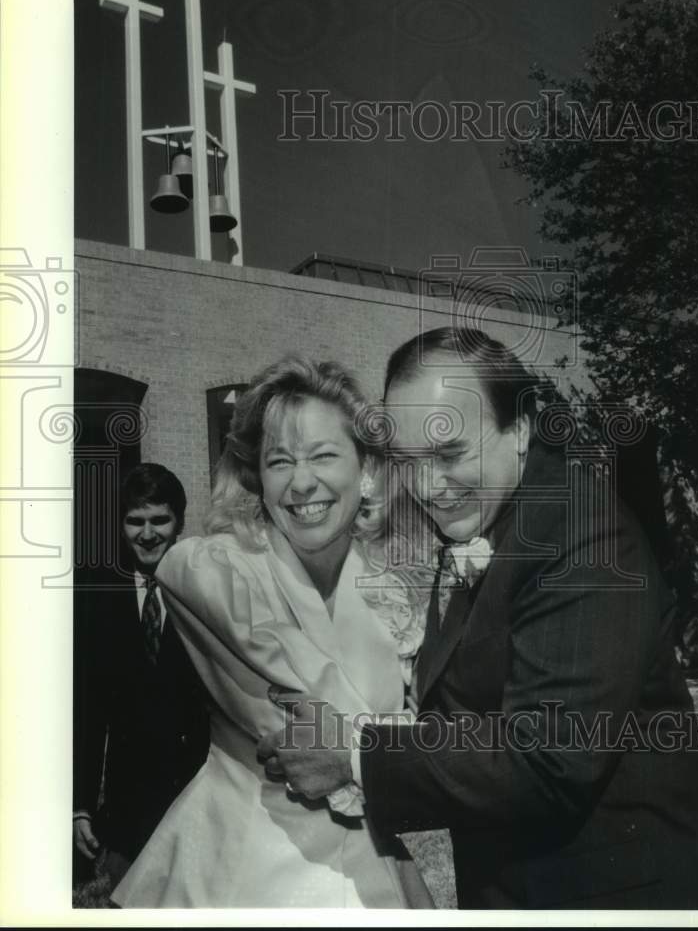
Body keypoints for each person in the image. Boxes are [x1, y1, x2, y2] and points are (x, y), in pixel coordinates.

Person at [260, 326, 698, 910]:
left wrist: (351, 757)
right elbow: (470, 715)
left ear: (520, 429)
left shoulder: (583, 537)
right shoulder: (491, 518)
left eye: (450, 454)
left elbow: (545, 759)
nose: (427, 486)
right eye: (409, 460)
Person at [111, 357, 432, 908]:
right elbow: (316, 716)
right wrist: (403, 750)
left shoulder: (400, 587)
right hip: (243, 872)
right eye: (280, 460)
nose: (302, 481)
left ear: (368, 468)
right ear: (256, 476)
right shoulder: (212, 569)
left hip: (369, 869)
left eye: (324, 455)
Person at [73, 463, 210, 891]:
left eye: (159, 520)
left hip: (198, 799)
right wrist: (79, 805)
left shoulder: (206, 587)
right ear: (121, 525)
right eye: (135, 521)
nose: (147, 533)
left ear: (180, 523)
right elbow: (87, 708)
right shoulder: (96, 597)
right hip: (126, 808)